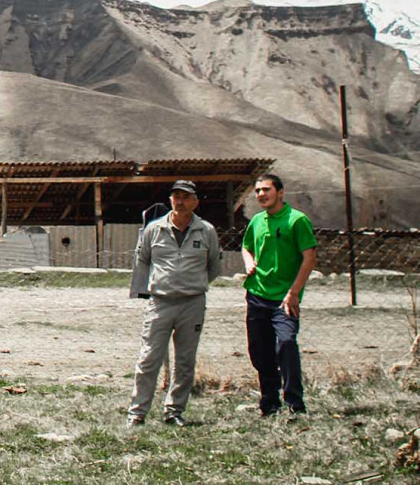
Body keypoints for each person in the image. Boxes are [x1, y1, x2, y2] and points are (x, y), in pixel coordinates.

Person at [126, 180, 221, 428]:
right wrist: (154, 288)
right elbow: (142, 260)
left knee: (185, 361)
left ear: (195, 202)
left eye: (186, 197)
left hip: (192, 303)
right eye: (176, 196)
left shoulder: (207, 231)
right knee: (149, 358)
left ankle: (174, 410)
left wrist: (191, 285)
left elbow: (213, 267)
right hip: (160, 302)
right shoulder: (154, 230)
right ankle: (137, 413)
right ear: (170, 200)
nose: (180, 201)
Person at [242, 172, 318, 416]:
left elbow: (309, 257)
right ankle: (269, 402)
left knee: (286, 344)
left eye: (266, 189)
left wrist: (294, 292)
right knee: (260, 351)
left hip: (285, 299)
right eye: (258, 191)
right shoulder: (257, 221)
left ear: (280, 192)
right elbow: (245, 246)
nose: (261, 194)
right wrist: (249, 263)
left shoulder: (297, 220)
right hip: (257, 294)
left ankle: (295, 403)